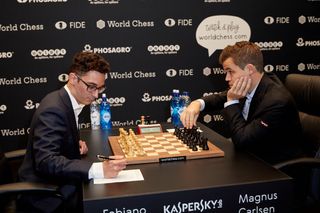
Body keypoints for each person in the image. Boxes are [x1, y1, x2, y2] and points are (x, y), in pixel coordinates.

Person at [18, 51, 127, 212]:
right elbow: (46, 161)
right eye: (91, 87)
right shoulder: (54, 109)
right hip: (47, 198)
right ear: (73, 78)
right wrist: (99, 169)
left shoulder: (66, 100)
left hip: (59, 185)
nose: (96, 94)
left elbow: (54, 142)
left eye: (100, 88)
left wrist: (70, 144)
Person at [180, 41, 303, 165]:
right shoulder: (253, 85)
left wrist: (232, 101)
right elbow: (221, 97)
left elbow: (242, 141)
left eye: (231, 71)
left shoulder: (276, 101)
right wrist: (197, 104)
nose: (227, 78)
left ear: (249, 69)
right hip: (251, 156)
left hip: (274, 168)